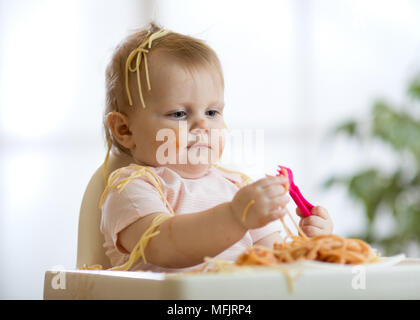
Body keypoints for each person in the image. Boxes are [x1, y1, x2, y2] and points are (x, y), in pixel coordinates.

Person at [99, 23, 333, 272]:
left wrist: (311, 246)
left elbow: (273, 260)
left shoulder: (236, 187)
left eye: (212, 112)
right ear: (125, 130)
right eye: (179, 113)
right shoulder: (132, 188)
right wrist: (234, 217)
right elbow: (163, 246)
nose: (202, 124)